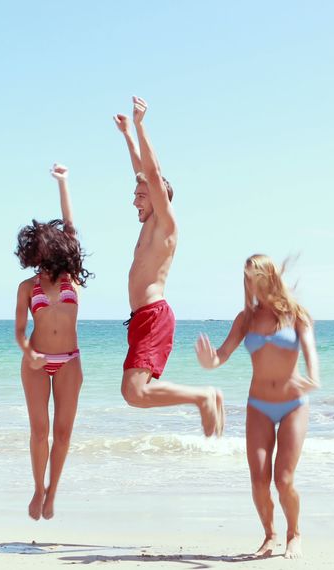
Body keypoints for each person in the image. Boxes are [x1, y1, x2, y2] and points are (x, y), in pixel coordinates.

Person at [194, 254, 321, 559]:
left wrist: (313, 377)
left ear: (269, 276)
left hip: (293, 404)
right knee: (259, 481)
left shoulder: (295, 314)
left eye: (255, 277)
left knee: (284, 479)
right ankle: (270, 535)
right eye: (247, 278)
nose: (251, 284)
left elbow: (310, 351)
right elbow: (221, 355)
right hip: (259, 406)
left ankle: (294, 533)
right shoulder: (246, 319)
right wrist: (209, 361)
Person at [112, 96, 222, 436]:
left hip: (154, 315)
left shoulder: (166, 225)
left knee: (135, 391)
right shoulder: (148, 225)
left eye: (141, 197)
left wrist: (142, 126)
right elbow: (142, 172)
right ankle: (202, 397)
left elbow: (153, 174)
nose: (134, 200)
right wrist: (127, 134)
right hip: (141, 318)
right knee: (132, 393)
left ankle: (204, 397)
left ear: (159, 198)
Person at [13, 163, 93, 520]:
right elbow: (18, 330)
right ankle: (36, 487)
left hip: (70, 362)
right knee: (39, 431)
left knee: (62, 433)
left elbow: (71, 226)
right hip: (36, 360)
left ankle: (53, 492)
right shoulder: (26, 288)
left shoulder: (71, 277)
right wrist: (28, 352)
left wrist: (64, 183)